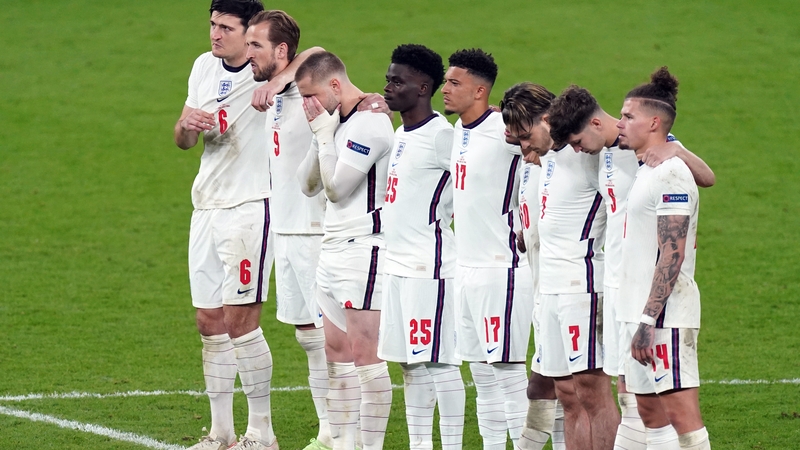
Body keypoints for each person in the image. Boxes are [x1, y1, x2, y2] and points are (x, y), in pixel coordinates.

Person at [547, 84, 715, 450]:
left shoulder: (658, 156)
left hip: (657, 301)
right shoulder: (607, 156)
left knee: (674, 411)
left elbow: (704, 178)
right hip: (623, 293)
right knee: (635, 402)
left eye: (627, 116)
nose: (577, 150)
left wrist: (676, 148)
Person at [502, 81, 619, 450]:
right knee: (567, 395)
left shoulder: (587, 154)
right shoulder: (544, 158)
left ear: (548, 119)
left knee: (591, 391)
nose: (523, 146)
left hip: (580, 285)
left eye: (526, 135)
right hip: (548, 290)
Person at [295, 51, 395, 450]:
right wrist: (325, 127)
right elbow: (307, 183)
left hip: (363, 250)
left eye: (312, 95)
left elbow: (336, 190)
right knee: (335, 355)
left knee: (366, 359)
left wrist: (323, 133)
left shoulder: (371, 124)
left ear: (335, 85)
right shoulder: (338, 120)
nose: (309, 105)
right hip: (332, 250)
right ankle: (342, 444)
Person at [243, 10, 333, 450]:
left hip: (317, 233)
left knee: (331, 340)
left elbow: (319, 51)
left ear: (282, 51)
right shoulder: (271, 93)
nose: (248, 52)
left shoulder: (307, 84)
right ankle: (328, 432)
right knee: (309, 339)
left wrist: (283, 79)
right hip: (287, 231)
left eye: (256, 44)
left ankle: (346, 434)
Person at [442, 48, 533, 450]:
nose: (444, 89)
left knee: (510, 375)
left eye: (454, 83)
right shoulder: (460, 129)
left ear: (480, 91)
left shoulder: (505, 130)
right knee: (481, 376)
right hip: (466, 269)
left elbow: (553, 142)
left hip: (503, 269)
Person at [616, 67, 711, 450]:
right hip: (639, 311)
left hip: (664, 318)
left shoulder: (671, 173)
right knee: (649, 415)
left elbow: (672, 253)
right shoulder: (646, 168)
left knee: (681, 417)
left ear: (654, 122)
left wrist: (647, 320)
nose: (619, 123)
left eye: (627, 116)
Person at [376, 44, 466, 450]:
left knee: (440, 362)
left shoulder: (442, 137)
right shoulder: (400, 133)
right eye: (388, 78)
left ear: (424, 87)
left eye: (399, 81)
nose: (388, 87)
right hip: (396, 265)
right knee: (410, 364)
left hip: (428, 268)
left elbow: (479, 177)